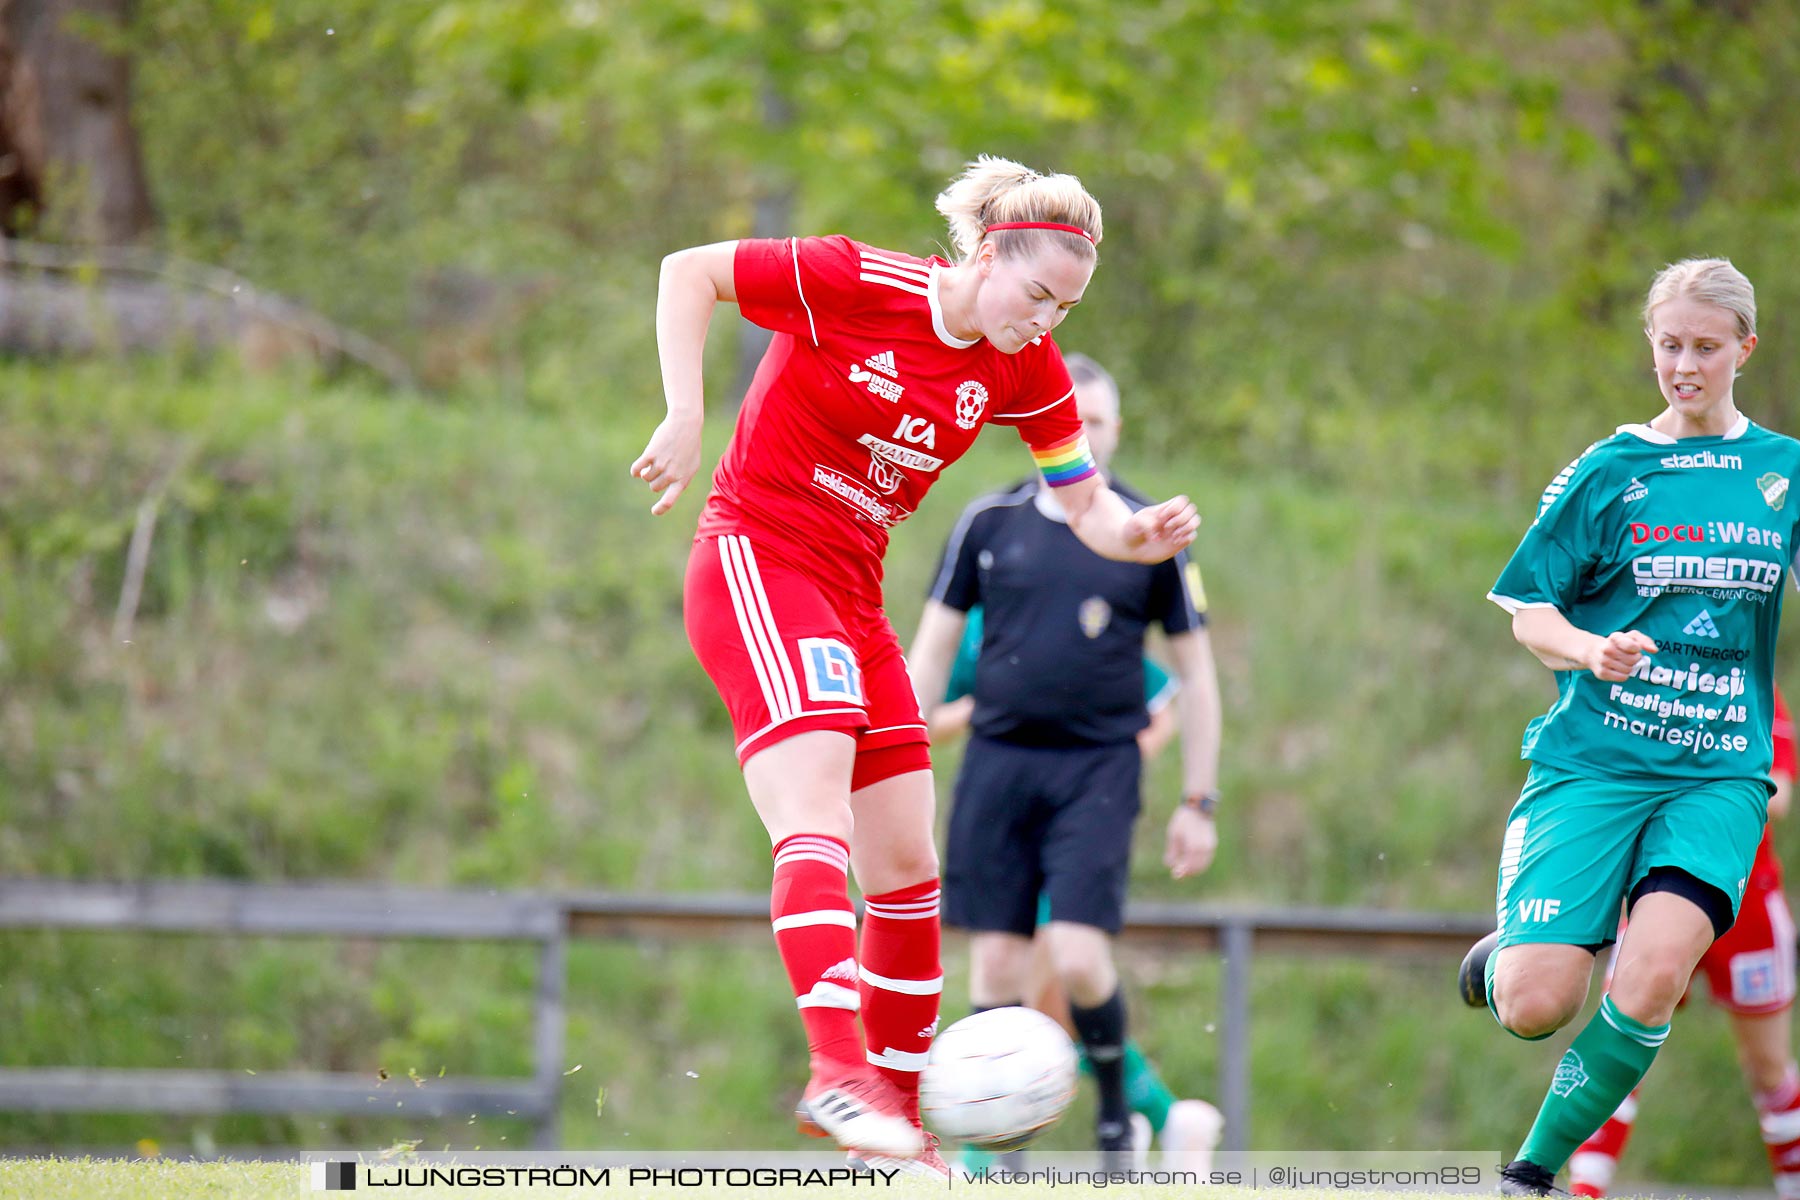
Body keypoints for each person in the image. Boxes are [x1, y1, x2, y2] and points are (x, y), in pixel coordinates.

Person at [628, 157, 1199, 1171]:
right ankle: (836, 1074)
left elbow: (1083, 501)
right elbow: (688, 270)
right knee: (817, 818)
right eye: (1037, 295)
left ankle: (893, 1126)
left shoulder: (1027, 367)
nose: (1046, 323)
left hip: (853, 595)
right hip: (760, 557)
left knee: (906, 871)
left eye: (1066, 307)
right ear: (987, 255)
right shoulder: (853, 280)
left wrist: (1138, 534)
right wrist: (684, 412)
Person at [1456, 257, 1800, 1196]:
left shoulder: (1785, 472)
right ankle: (1504, 962)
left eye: (1705, 347)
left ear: (1745, 349)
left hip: (1719, 774)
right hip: (1596, 762)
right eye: (1669, 346)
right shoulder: (1609, 472)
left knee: (1649, 979)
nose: (1685, 365)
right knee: (1536, 1006)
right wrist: (1585, 647)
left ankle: (1529, 1172)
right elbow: (1528, 610)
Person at [907, 353, 1222, 1167]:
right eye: (1069, 420)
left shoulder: (1150, 533)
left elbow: (1194, 677)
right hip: (999, 764)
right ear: (1037, 428)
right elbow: (932, 656)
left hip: (1097, 768)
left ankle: (1120, 1114)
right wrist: (894, 757)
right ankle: (987, 1159)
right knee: (998, 965)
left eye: (1100, 422)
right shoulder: (987, 524)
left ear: (1117, 432)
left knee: (1079, 957)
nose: (1083, 435)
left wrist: (1199, 801)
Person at [1565, 686, 1800, 1198]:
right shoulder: (1652, 687)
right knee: (1617, 1043)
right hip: (1658, 893)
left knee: (1770, 1070)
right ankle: (1585, 1190)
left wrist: (1701, 785)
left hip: (1747, 905)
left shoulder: (1756, 690)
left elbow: (1778, 793)